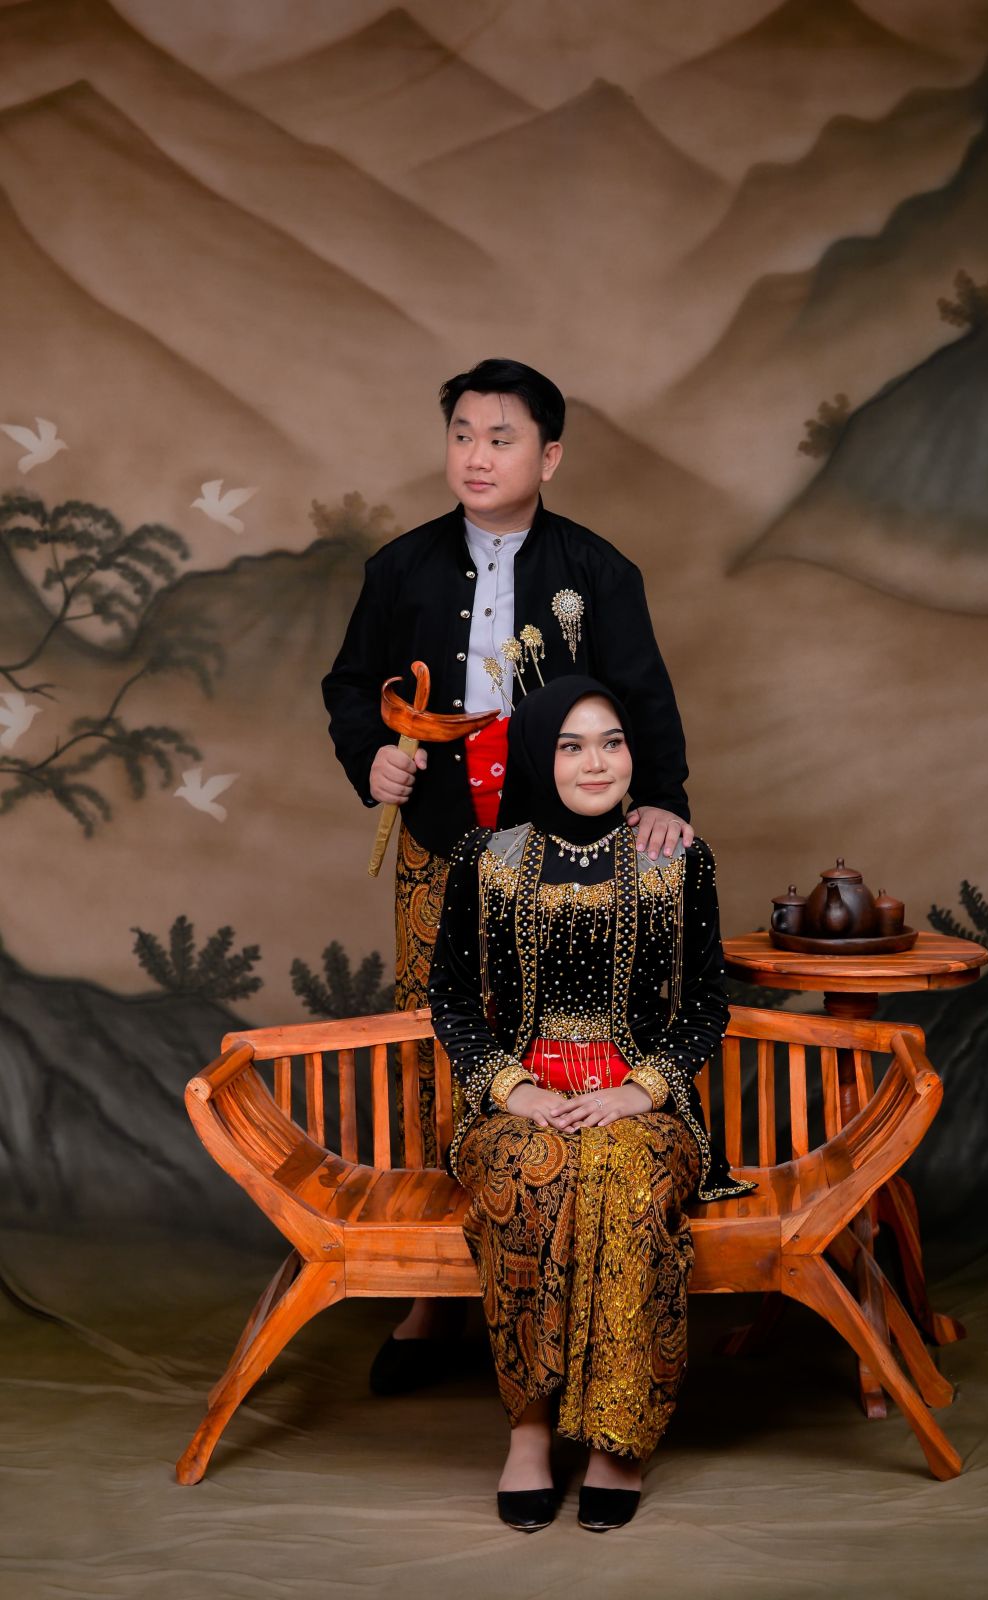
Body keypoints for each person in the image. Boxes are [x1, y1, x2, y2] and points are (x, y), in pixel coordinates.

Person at [322, 359, 694, 1392]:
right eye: (462, 436)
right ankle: (434, 1290)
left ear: (549, 455)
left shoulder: (598, 570)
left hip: (557, 848)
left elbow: (643, 696)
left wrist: (664, 794)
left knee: (555, 1023)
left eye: (501, 438)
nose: (476, 456)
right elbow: (351, 687)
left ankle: (563, 1244)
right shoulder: (400, 566)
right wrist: (371, 757)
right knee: (432, 1035)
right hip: (441, 838)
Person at [428, 677, 752, 1531]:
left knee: (624, 1173)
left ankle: (617, 1438)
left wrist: (637, 1091)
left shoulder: (676, 858)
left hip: (642, 1103)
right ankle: (529, 1431)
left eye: (611, 741)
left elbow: (706, 1006)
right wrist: (517, 1091)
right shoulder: (486, 859)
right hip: (517, 1102)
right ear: (538, 755)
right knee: (532, 1174)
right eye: (570, 746)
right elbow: (451, 1000)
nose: (596, 762)